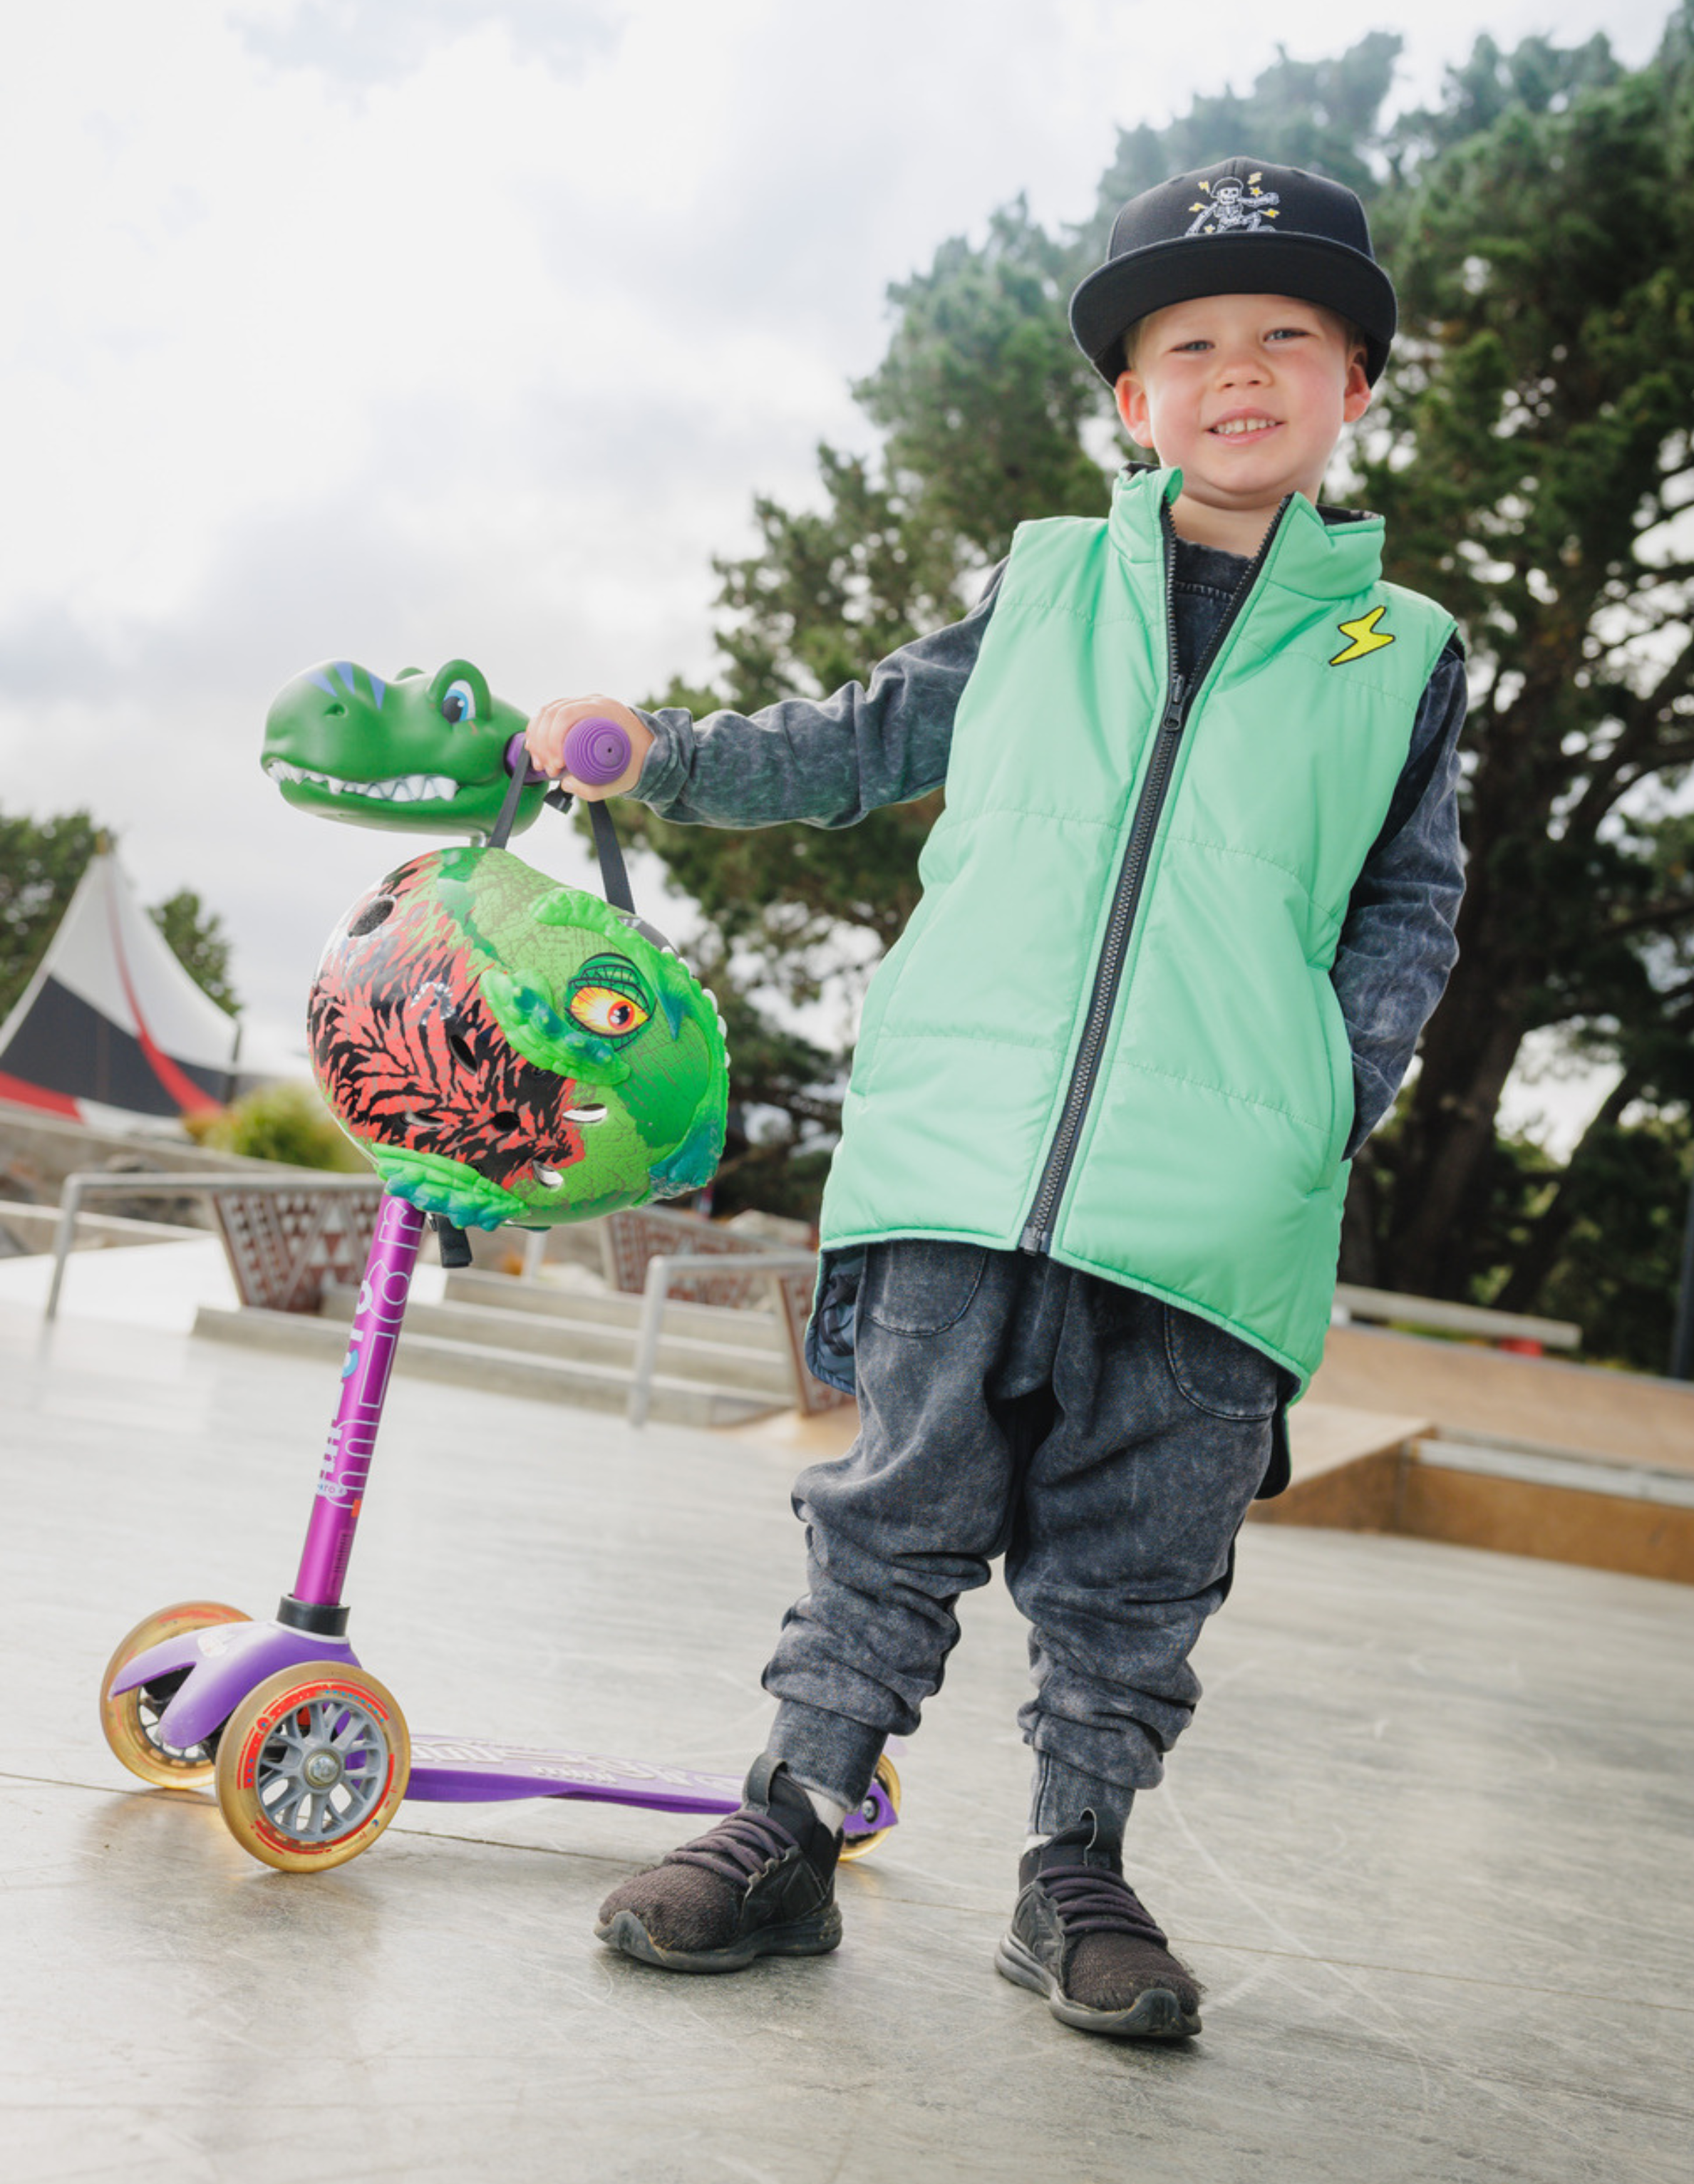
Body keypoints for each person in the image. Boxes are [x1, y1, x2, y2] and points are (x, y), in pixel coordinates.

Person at [524, 156, 1466, 2043]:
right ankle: (782, 1825)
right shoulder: (1042, 586)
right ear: (1132, 401)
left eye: (1288, 336)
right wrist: (659, 756)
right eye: (1188, 342)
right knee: (889, 1517)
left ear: (1355, 384)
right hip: (962, 1161)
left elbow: (1409, 904)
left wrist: (1317, 1103)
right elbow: (858, 737)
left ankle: (1075, 1872)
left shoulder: (1399, 648)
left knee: (1139, 1567)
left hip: (1213, 1209)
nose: (1239, 371)